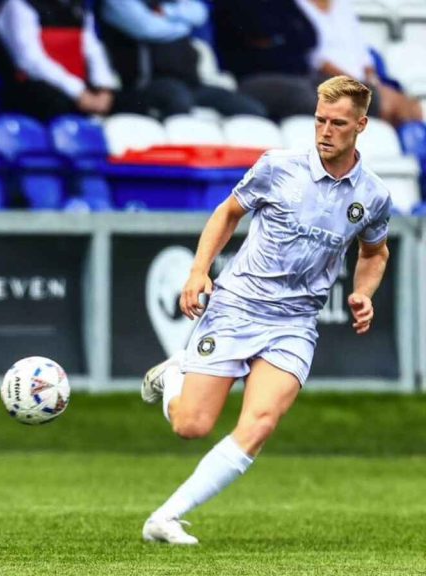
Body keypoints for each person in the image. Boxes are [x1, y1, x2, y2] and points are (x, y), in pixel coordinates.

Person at [139, 75, 390, 544]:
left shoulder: (372, 195)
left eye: (338, 123)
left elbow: (374, 253)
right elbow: (228, 212)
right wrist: (199, 272)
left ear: (361, 125)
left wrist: (364, 293)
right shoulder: (278, 167)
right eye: (320, 120)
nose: (325, 131)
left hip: (295, 322)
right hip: (238, 306)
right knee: (191, 426)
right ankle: (174, 376)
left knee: (260, 424)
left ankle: (165, 518)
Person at [98, 0, 267, 118]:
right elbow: (148, 29)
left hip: (191, 83)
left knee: (250, 108)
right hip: (145, 84)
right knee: (178, 99)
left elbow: (199, 13)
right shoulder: (117, 3)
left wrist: (167, 13)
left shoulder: (168, 3)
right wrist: (184, 24)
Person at [296, 0, 423, 126]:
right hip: (328, 82)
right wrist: (358, 84)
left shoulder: (342, 5)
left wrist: (374, 84)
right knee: (385, 106)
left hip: (362, 82)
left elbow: (363, 54)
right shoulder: (297, 6)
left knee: (413, 107)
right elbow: (316, 59)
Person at [0, 0, 118, 120]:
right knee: (57, 104)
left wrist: (104, 88)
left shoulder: (77, 5)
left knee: (130, 102)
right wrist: (78, 92)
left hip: (76, 88)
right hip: (35, 86)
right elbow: (30, 61)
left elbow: (93, 49)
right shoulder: (19, 5)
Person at [213, 0, 320, 121]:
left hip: (301, 75)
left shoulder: (283, 3)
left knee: (341, 92)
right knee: (308, 100)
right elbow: (260, 29)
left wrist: (278, 40)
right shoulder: (235, 4)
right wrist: (287, 37)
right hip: (252, 78)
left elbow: (310, 37)